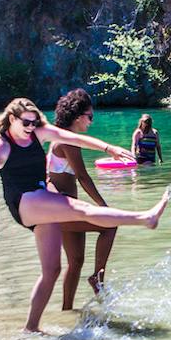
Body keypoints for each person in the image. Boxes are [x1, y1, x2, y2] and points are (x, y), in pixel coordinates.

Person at [0, 97, 170, 333]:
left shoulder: (38, 133)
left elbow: (74, 138)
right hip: (23, 202)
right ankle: (145, 218)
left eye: (34, 122)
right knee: (84, 210)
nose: (31, 127)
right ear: (12, 119)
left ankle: (31, 328)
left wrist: (108, 148)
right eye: (26, 123)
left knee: (52, 271)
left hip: (41, 202)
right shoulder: (0, 146)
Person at [47, 89, 116, 304]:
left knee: (75, 261)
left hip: (62, 206)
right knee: (110, 224)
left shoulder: (59, 136)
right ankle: (98, 278)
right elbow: (83, 177)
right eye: (90, 117)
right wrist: (103, 206)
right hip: (61, 209)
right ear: (78, 117)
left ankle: (67, 311)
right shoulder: (69, 141)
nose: (91, 122)